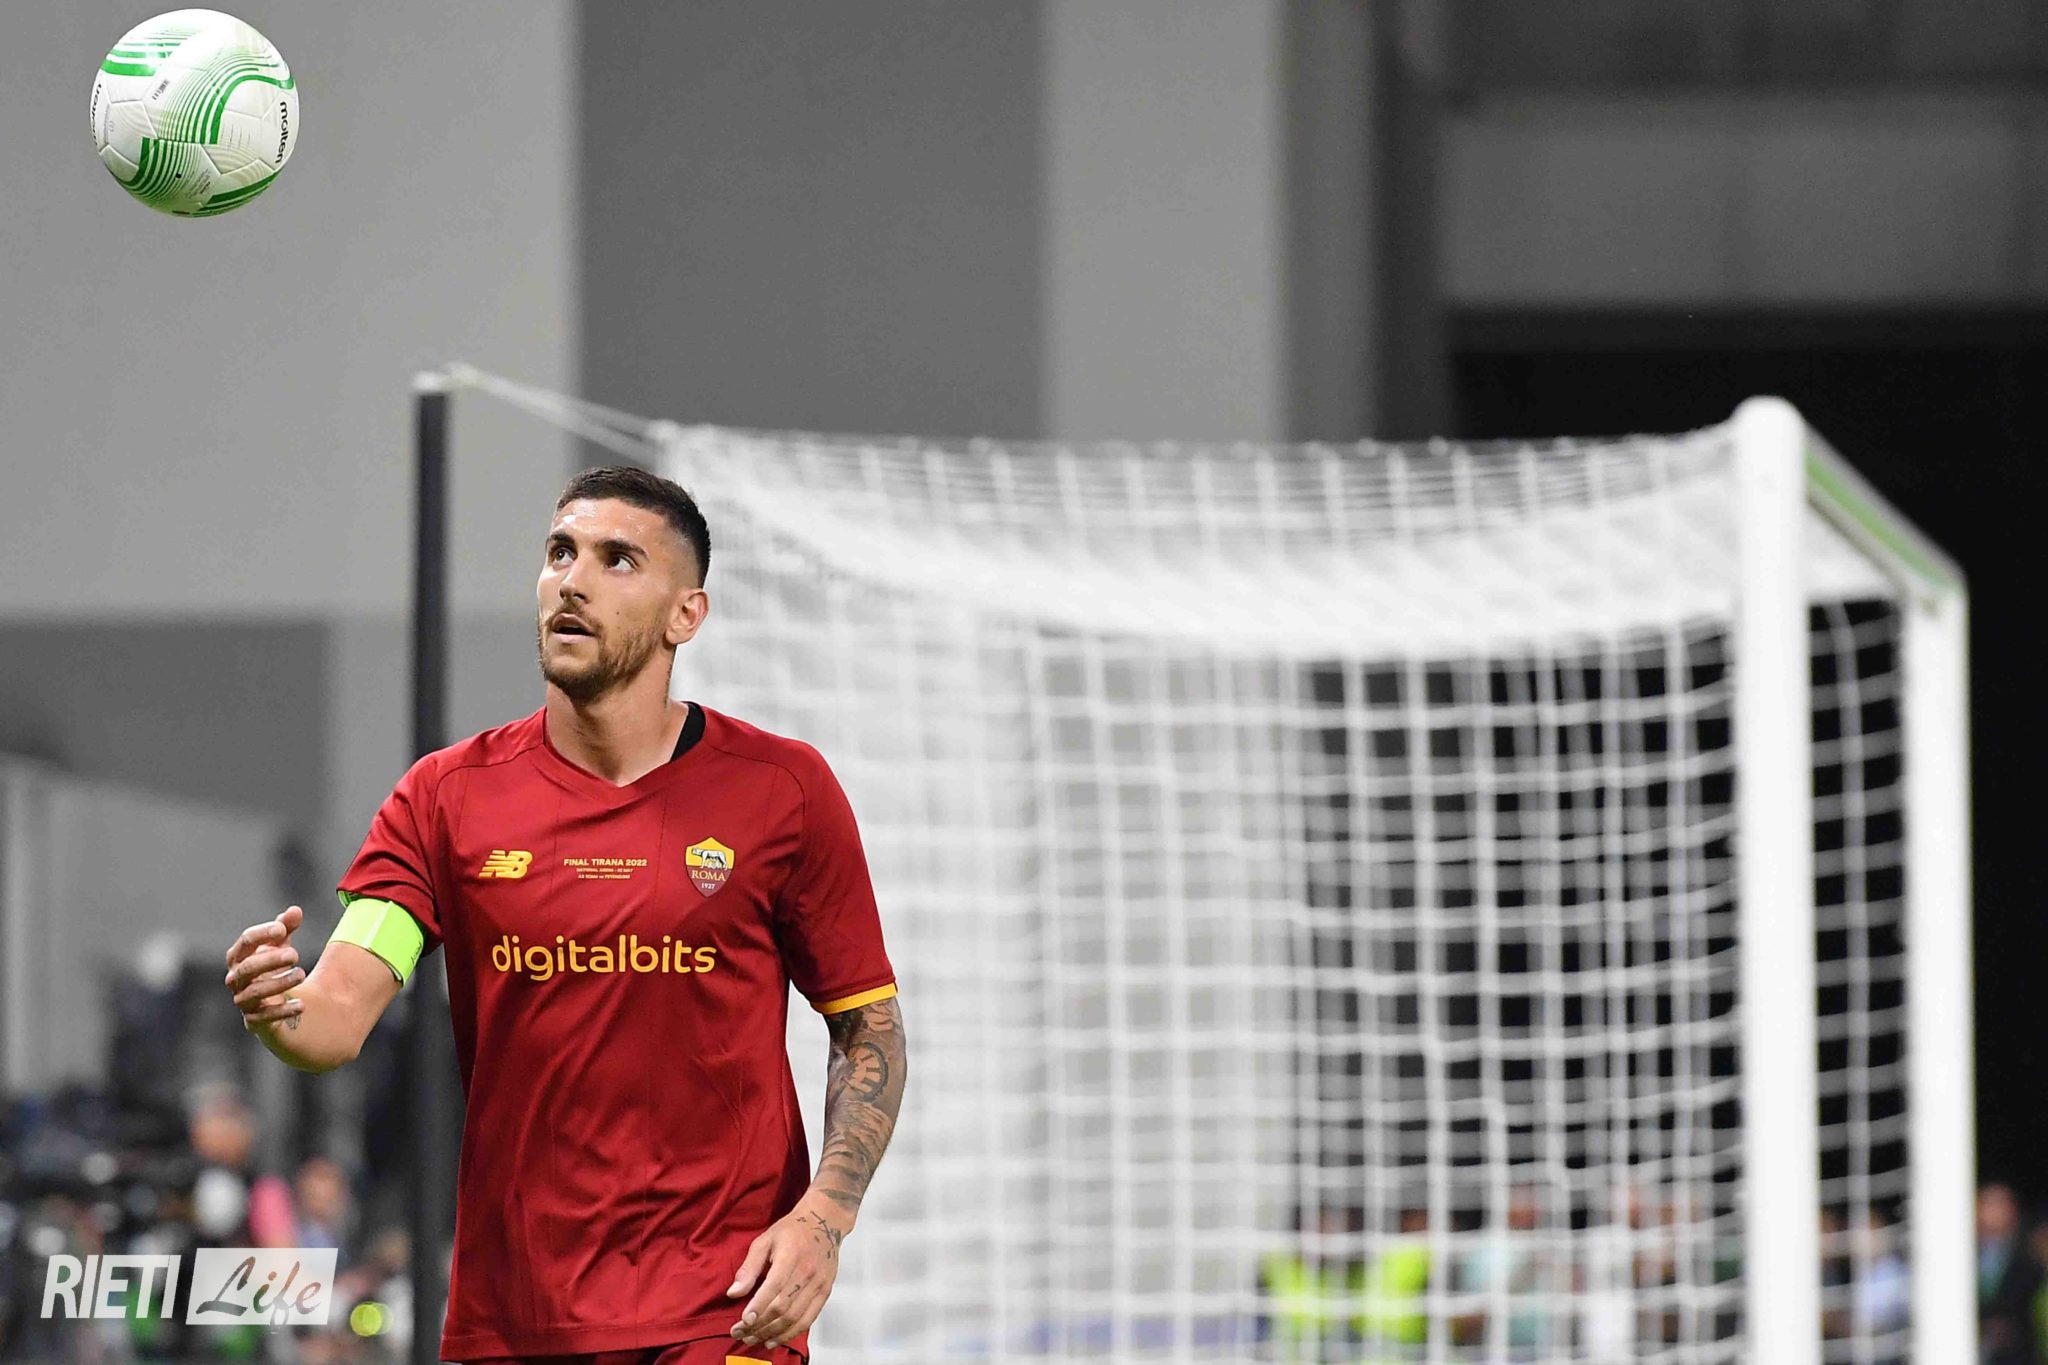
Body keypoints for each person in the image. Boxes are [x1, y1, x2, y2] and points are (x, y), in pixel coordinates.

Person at [220, 466, 908, 1365]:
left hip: (724, 1310)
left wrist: (826, 1215)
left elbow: (868, 1028)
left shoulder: (785, 790)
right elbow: (334, 1017)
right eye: (559, 552)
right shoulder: (444, 799)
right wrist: (280, 1007)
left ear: (686, 614)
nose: (572, 580)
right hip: (516, 1317)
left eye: (617, 559)